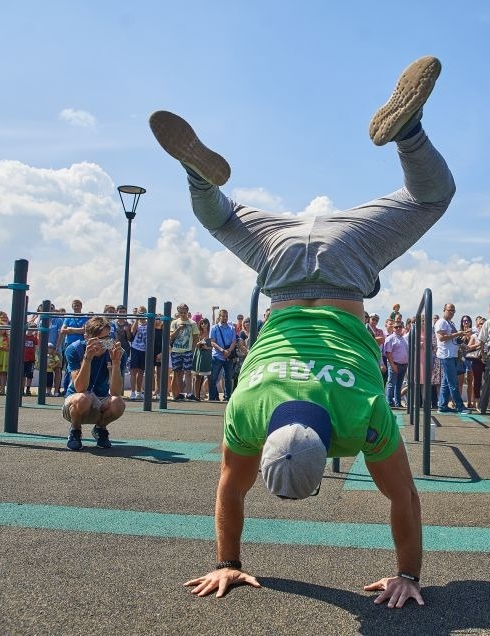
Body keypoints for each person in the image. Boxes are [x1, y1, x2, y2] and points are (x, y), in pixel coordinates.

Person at [150, 55, 453, 607]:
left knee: (432, 197)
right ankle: (199, 179)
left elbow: (404, 497)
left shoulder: (359, 411)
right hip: (281, 261)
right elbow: (229, 487)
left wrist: (408, 575)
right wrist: (226, 561)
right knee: (219, 218)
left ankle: (408, 131)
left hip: (346, 263)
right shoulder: (248, 409)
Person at [62, 315, 126, 451]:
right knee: (83, 398)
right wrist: (87, 358)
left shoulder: (117, 351)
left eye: (108, 337)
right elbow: (80, 387)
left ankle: (100, 428)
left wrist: (116, 363)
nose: (105, 343)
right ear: (87, 337)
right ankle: (75, 431)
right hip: (76, 401)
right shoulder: (74, 349)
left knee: (118, 403)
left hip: (101, 401)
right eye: (100, 339)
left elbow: (116, 392)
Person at [434, 302, 471, 414]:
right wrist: (457, 334)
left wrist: (463, 344)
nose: (452, 312)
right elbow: (441, 338)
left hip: (452, 354)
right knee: (453, 382)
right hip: (446, 355)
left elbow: (454, 339)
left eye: (453, 310)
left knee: (446, 381)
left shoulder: (450, 323)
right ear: (444, 310)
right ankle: (460, 406)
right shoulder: (441, 322)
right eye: (449, 310)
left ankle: (443, 405)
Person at [208, 309, 237, 402]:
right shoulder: (214, 328)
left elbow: (234, 342)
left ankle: (227, 397)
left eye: (226, 316)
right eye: (223, 316)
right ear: (219, 317)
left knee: (228, 378)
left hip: (228, 356)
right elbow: (212, 342)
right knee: (213, 378)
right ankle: (213, 397)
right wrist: (222, 350)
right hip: (217, 356)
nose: (224, 318)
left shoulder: (232, 328)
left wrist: (228, 351)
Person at [383, 320, 409, 408]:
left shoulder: (403, 338)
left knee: (399, 384)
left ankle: (398, 402)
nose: (398, 328)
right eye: (396, 327)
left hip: (403, 364)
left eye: (400, 327)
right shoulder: (390, 338)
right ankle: (389, 402)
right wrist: (392, 365)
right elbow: (388, 352)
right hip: (395, 364)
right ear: (393, 328)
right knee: (391, 383)